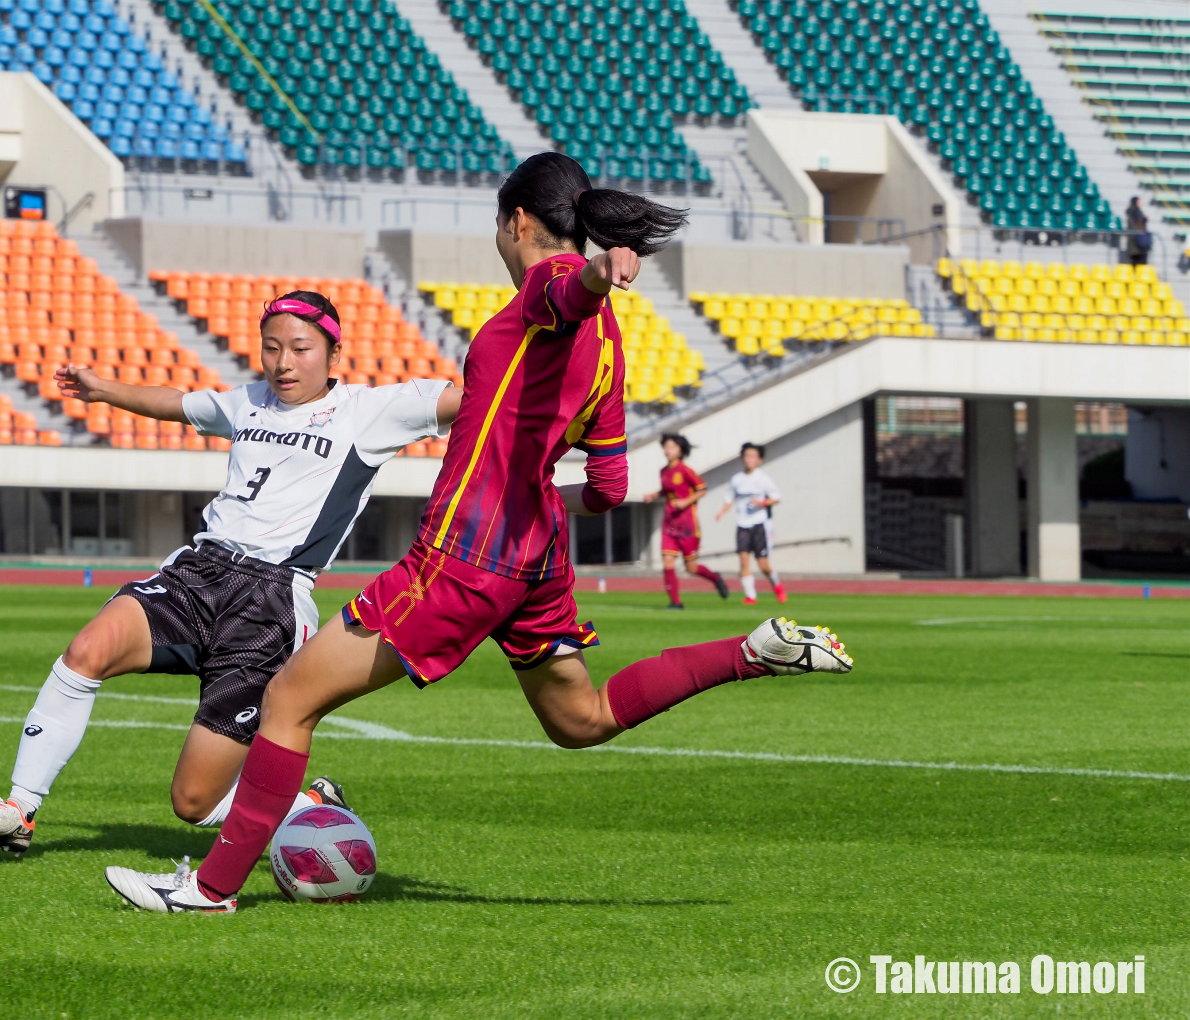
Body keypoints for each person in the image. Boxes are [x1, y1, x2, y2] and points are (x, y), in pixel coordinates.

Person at [103, 152, 853, 914]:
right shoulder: (612, 354)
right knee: (579, 720)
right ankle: (749, 651)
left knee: (289, 698)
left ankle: (210, 889)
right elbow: (609, 489)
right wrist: (535, 492)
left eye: (501, 228)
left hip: (464, 555)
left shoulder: (545, 290)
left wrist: (598, 272)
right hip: (538, 559)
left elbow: (569, 288)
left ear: (517, 222)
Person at [0, 291, 463, 854]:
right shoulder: (248, 401)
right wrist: (102, 390)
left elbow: (470, 400)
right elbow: (177, 403)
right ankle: (19, 808)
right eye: (271, 348)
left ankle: (308, 807)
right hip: (196, 574)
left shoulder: (374, 410)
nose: (283, 363)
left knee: (194, 804)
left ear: (334, 355)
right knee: (86, 651)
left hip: (270, 600)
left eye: (300, 348)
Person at [643, 432, 728, 608]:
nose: (667, 450)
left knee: (691, 568)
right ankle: (675, 602)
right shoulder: (664, 471)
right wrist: (654, 495)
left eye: (672, 446)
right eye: (666, 446)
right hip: (669, 523)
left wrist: (685, 502)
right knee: (667, 561)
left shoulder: (686, 470)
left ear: (681, 450)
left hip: (687, 525)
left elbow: (702, 489)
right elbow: (666, 491)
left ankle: (714, 577)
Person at [716, 442, 785, 605]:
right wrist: (721, 512)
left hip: (760, 524)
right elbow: (729, 499)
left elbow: (776, 497)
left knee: (763, 565)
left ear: (759, 460)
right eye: (747, 455)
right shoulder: (737, 479)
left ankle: (776, 583)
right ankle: (751, 596)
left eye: (753, 456)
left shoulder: (763, 478)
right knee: (743, 560)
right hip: (742, 525)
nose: (749, 459)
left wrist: (763, 503)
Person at [1125, 197, 1149, 267]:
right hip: (1138, 240)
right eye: (1139, 201)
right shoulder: (1136, 211)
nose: (1141, 202)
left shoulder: (1131, 211)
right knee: (1140, 261)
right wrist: (1145, 219)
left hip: (1134, 240)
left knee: (1135, 261)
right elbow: (1139, 221)